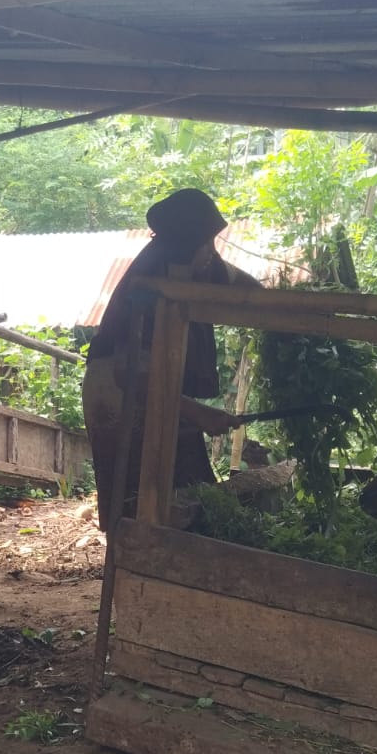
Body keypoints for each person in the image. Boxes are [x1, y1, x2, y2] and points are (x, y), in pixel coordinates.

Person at [81, 188, 260, 530]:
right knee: (132, 498)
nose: (212, 251)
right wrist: (199, 413)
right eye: (207, 242)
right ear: (188, 242)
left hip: (161, 389)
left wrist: (272, 303)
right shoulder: (152, 279)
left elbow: (245, 286)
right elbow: (132, 375)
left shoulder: (196, 263)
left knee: (183, 489)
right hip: (117, 393)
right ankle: (130, 556)